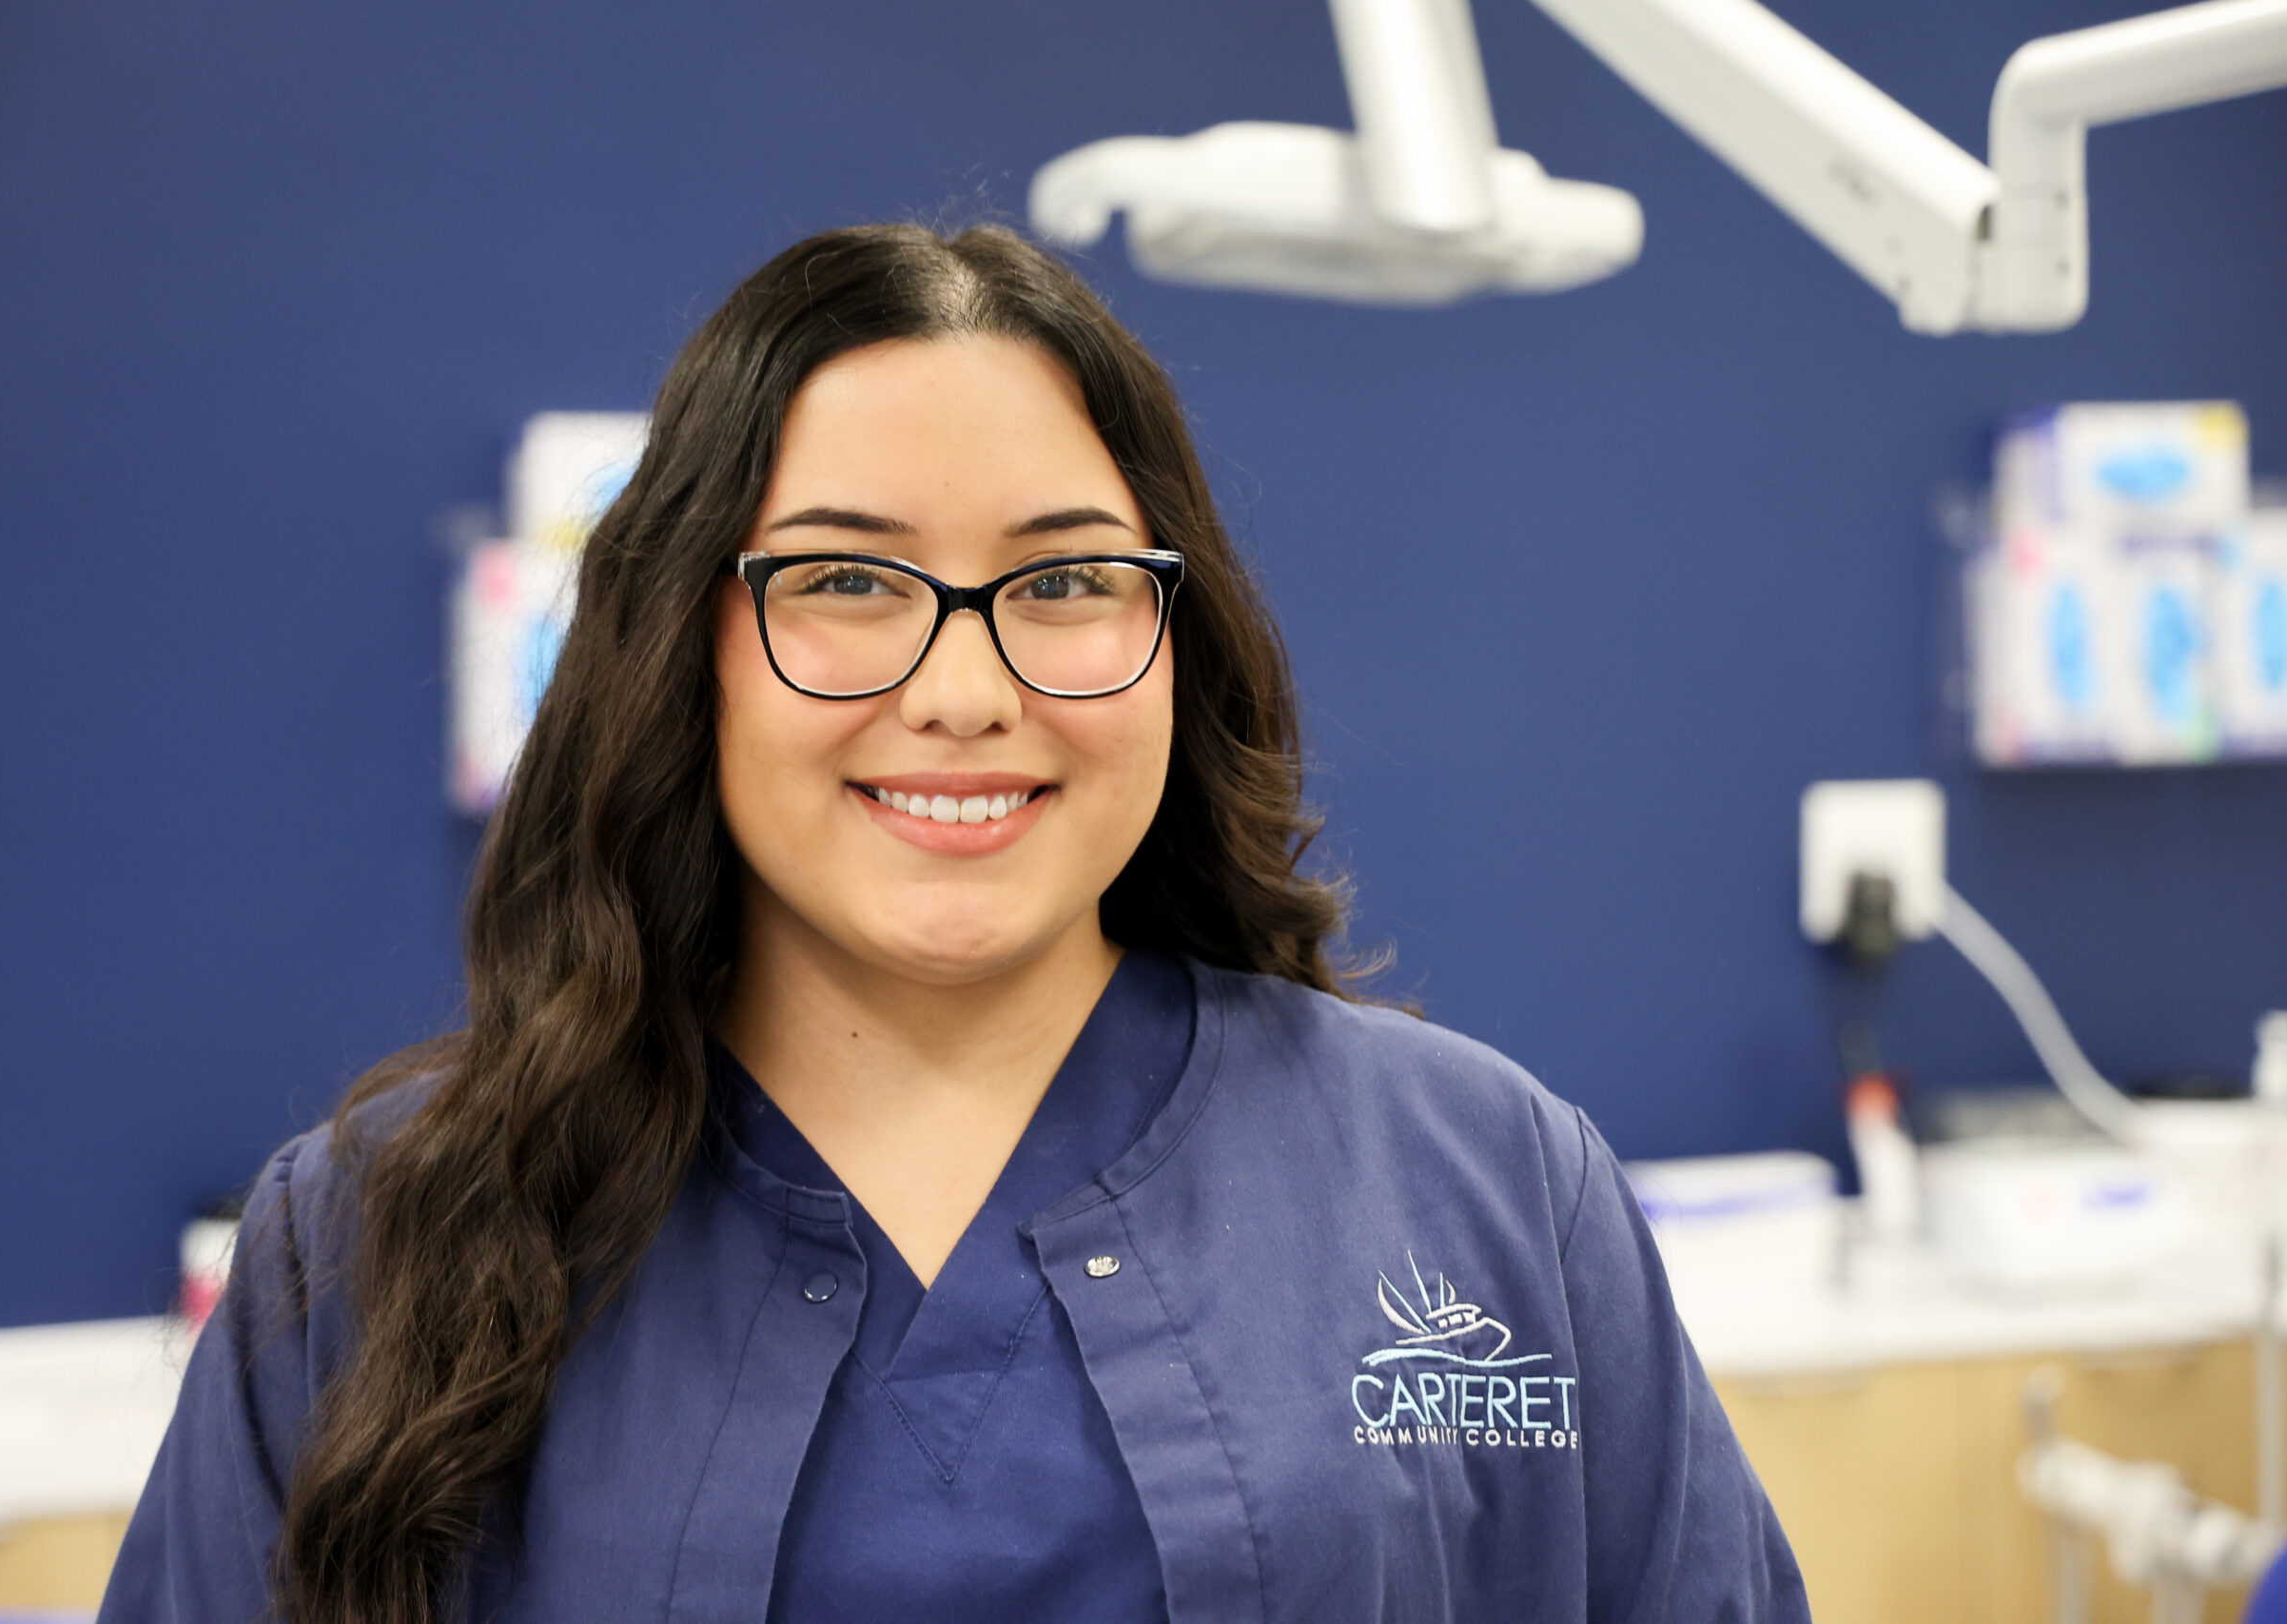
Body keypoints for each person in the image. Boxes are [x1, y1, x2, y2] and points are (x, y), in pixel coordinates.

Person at [99, 222, 1807, 1624]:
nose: (966, 691)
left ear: (1175, 636)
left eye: (1065, 582)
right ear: (681, 642)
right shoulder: (373, 1242)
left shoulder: (1484, 1187)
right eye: (847, 582)